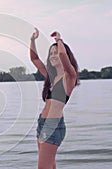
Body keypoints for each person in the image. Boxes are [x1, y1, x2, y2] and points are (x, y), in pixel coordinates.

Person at [30, 28, 79, 169]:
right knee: (50, 166)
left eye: (55, 52)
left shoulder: (70, 77)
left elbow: (63, 54)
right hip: (42, 123)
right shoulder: (51, 77)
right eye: (51, 53)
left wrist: (58, 40)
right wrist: (32, 40)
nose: (53, 55)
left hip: (53, 125)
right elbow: (34, 59)